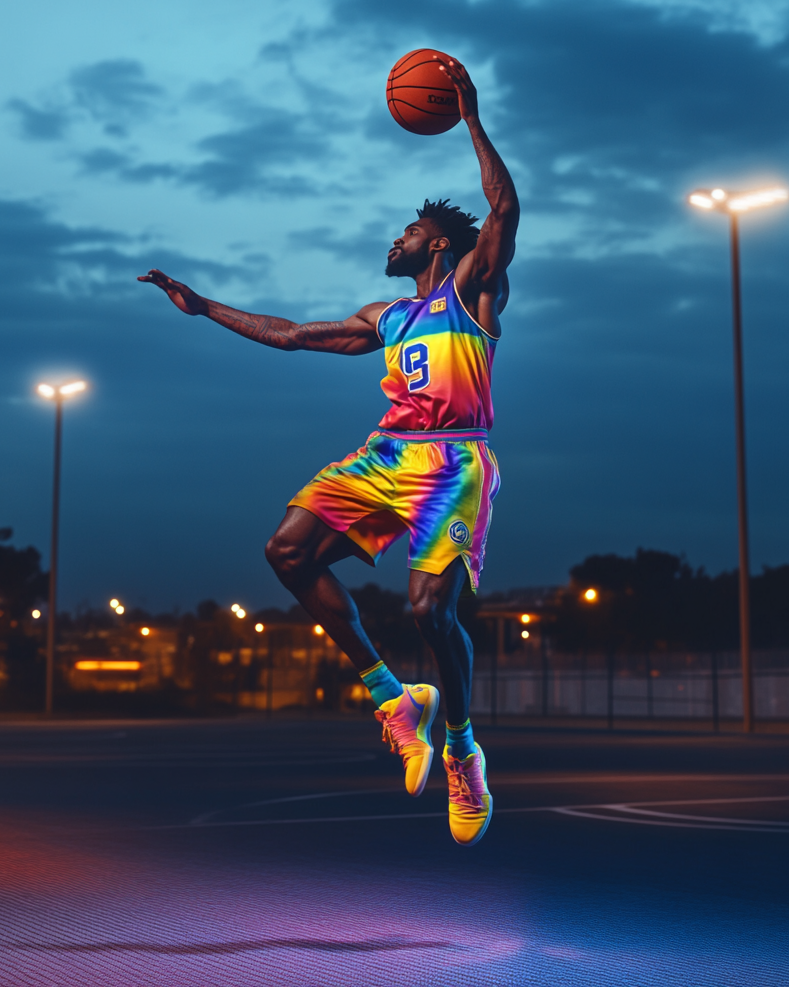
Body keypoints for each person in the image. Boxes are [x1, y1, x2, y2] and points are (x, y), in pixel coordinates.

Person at [139, 56, 518, 846]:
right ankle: (393, 699)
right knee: (285, 552)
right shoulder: (388, 317)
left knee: (427, 609)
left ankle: (461, 749)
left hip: (453, 462)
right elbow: (290, 336)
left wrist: (471, 118)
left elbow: (505, 207)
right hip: (385, 455)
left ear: (440, 242)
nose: (397, 236)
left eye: (410, 230)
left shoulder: (474, 288)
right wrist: (204, 307)